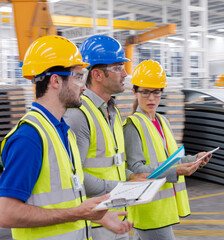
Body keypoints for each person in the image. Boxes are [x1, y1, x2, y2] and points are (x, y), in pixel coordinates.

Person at [0, 35, 133, 240]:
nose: (83, 86)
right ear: (55, 81)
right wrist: (77, 213)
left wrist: (99, 216)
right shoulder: (30, 137)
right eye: (78, 77)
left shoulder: (63, 132)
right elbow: (6, 213)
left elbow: (63, 199)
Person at [64, 35, 148, 240]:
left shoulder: (113, 111)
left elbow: (111, 162)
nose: (125, 74)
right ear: (97, 75)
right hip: (95, 222)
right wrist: (121, 188)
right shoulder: (79, 115)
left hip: (115, 214)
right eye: (118, 67)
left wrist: (129, 176)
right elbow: (74, 176)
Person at [123, 60, 212, 240]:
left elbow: (172, 160)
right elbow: (136, 171)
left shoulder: (163, 122)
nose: (151, 98)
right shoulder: (132, 126)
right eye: (145, 92)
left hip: (163, 207)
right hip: (150, 209)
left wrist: (195, 159)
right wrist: (176, 171)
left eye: (156, 92)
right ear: (135, 92)